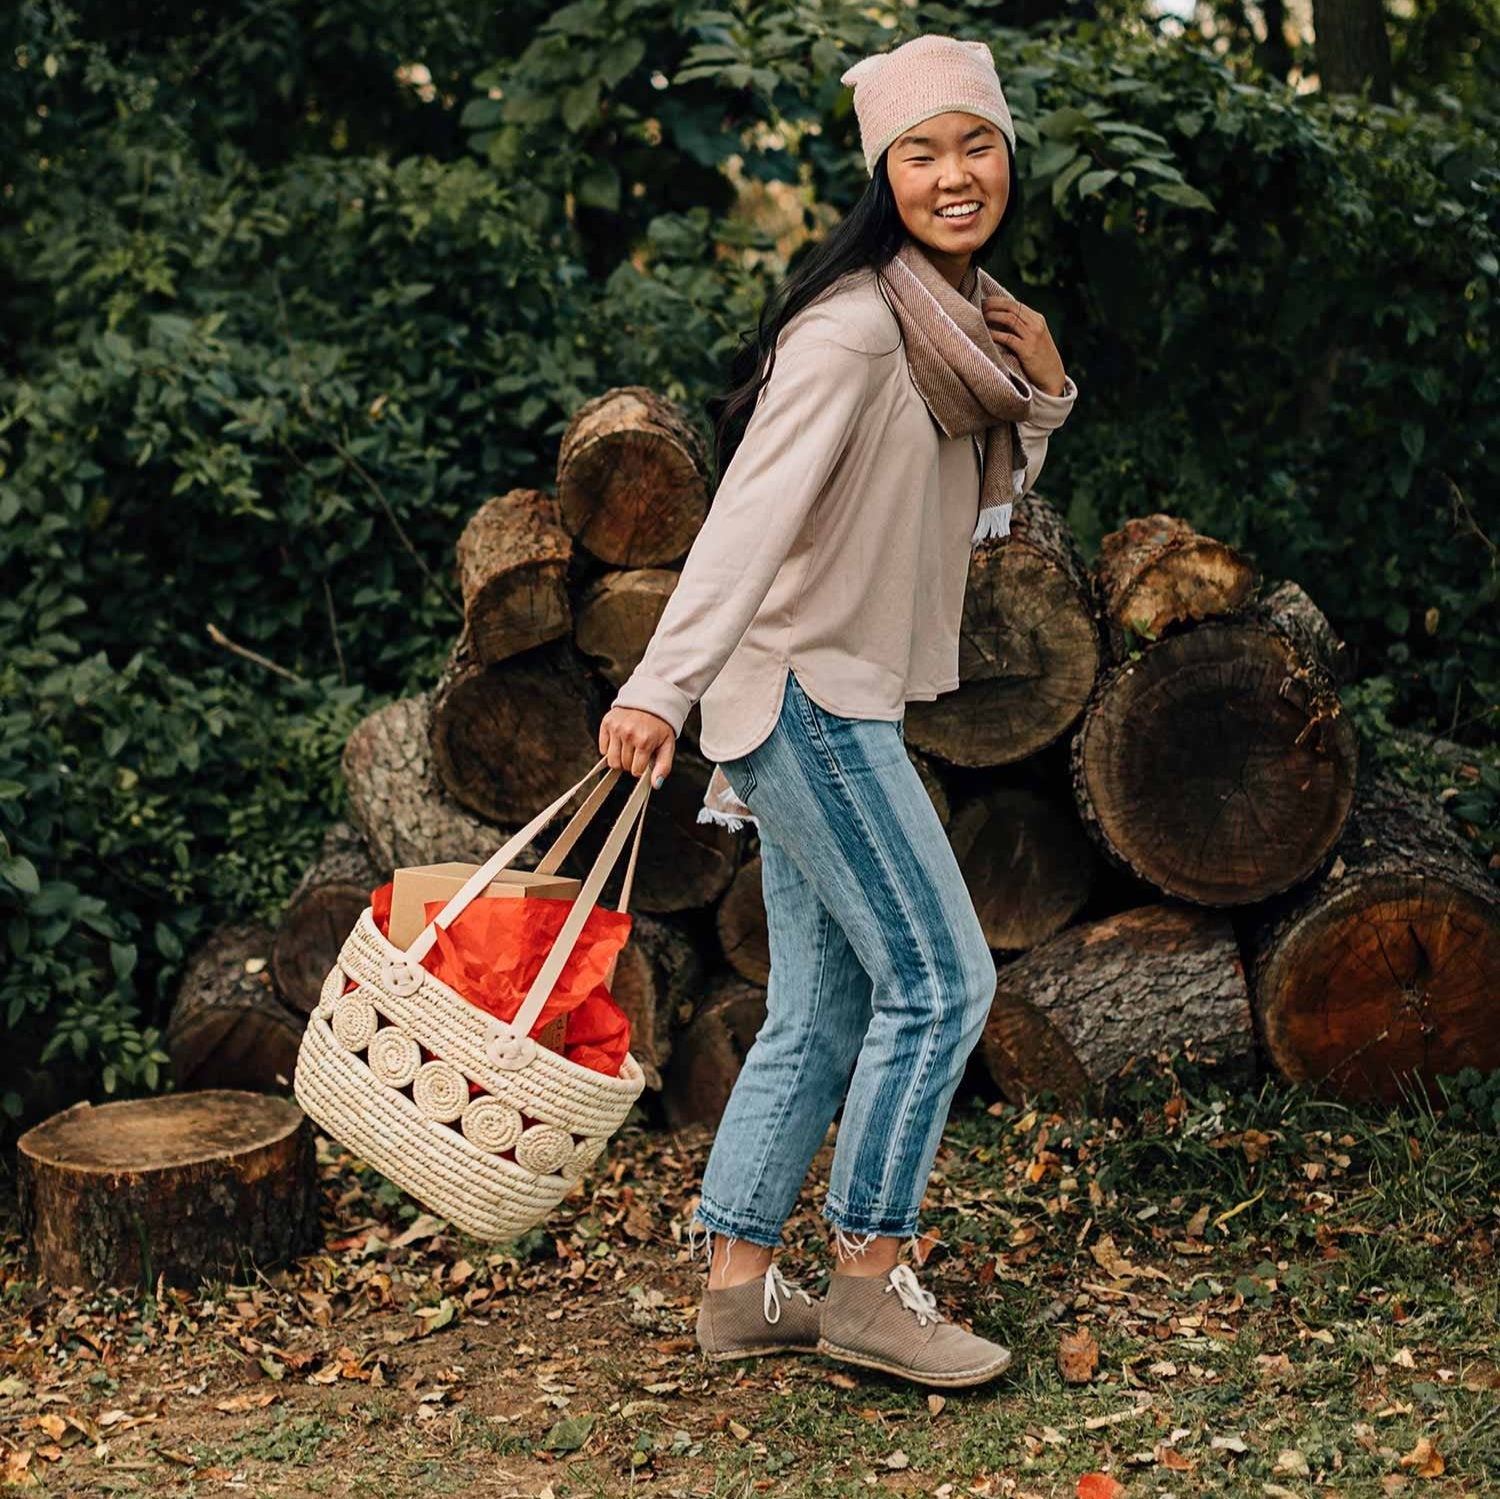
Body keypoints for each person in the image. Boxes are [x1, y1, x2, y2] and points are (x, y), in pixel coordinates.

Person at [597, 32, 1077, 1388]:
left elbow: (974, 509)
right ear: (885, 173)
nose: (953, 173)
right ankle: (870, 1281)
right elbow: (748, 519)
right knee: (945, 981)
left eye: (973, 144)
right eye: (920, 153)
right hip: (803, 690)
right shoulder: (859, 328)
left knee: (819, 1001)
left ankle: (742, 1290)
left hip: (823, 689)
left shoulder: (943, 330)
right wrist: (658, 687)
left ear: (1005, 155)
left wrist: (1040, 391)